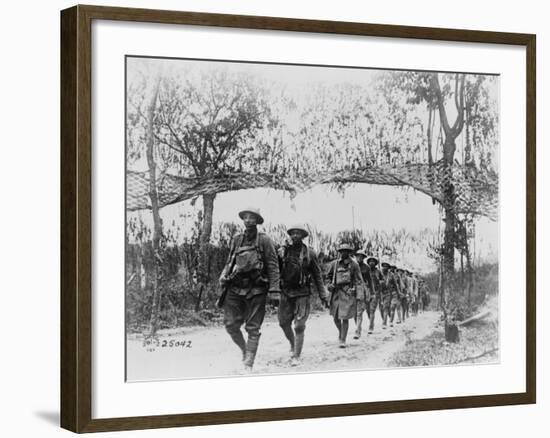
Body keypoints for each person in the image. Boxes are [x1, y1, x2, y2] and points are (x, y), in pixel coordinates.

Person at [218, 207, 281, 371]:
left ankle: (248, 363)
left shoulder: (264, 240)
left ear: (257, 221)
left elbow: (273, 266)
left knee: (253, 327)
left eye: (251, 217)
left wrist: (275, 290)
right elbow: (230, 261)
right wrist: (224, 276)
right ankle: (245, 350)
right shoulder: (237, 239)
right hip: (236, 286)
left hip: (257, 289)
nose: (248, 220)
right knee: (230, 325)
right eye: (245, 217)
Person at [278, 224, 329, 366]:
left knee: (299, 325)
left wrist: (323, 295)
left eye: (298, 233)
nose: (295, 236)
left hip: (302, 293)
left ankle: (296, 355)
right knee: (283, 323)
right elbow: (273, 268)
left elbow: (318, 275)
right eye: (292, 233)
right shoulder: (284, 251)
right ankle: (293, 343)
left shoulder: (309, 253)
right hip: (286, 292)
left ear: (303, 236)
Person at [326, 244, 366, 348]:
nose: (344, 253)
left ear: (349, 252)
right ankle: (341, 332)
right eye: (342, 251)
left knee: (345, 317)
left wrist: (359, 294)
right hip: (335, 293)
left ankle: (343, 339)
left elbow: (359, 280)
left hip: (348, 294)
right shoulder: (334, 264)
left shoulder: (354, 265)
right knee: (335, 318)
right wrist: (329, 284)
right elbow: (328, 277)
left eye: (346, 251)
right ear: (340, 252)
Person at [353, 250, 371, 339]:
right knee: (354, 312)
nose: (359, 258)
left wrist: (372, 292)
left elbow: (370, 281)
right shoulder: (352, 265)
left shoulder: (366, 268)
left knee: (359, 312)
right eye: (358, 256)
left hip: (362, 289)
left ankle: (358, 331)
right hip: (352, 290)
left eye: (361, 256)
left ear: (363, 258)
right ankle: (358, 326)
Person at [365, 255, 383, 334]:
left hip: (375, 292)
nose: (371, 263)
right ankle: (371, 321)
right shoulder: (366, 270)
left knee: (372, 310)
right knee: (367, 310)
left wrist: (379, 282)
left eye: (373, 262)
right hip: (367, 291)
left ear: (375, 263)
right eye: (370, 261)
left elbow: (383, 281)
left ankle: (371, 326)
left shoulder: (378, 271)